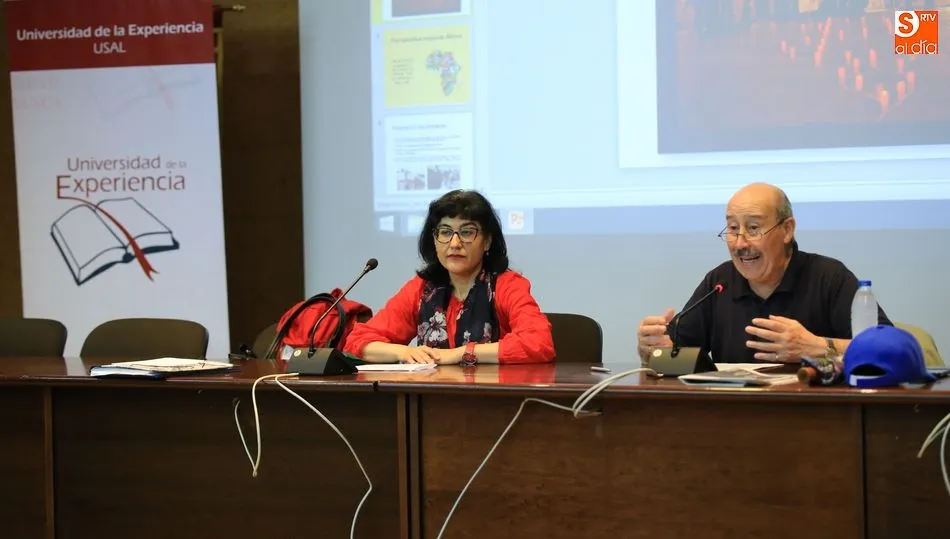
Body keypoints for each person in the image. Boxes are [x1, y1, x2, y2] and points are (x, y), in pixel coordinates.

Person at [636, 182, 891, 365]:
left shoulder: (828, 277)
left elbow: (890, 348)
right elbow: (673, 355)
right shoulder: (720, 283)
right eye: (732, 228)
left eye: (753, 228)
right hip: (734, 416)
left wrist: (819, 347)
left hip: (814, 416)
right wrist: (653, 350)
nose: (740, 243)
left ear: (787, 230)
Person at [343, 189, 555, 365]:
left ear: (487, 242)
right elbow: (357, 342)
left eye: (467, 232)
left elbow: (538, 342)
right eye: (445, 232)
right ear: (434, 240)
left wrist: (459, 354)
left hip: (492, 397)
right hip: (431, 397)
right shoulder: (421, 289)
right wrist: (404, 352)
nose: (454, 243)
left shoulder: (506, 285)